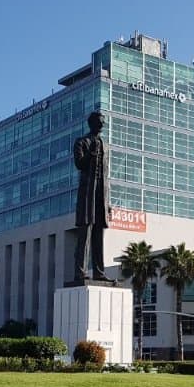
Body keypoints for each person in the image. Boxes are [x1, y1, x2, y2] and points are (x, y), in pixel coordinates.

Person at [72, 111, 112, 282]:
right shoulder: (81, 142)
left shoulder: (106, 145)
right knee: (85, 233)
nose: (102, 125)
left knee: (98, 234)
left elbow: (107, 174)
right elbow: (79, 164)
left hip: (101, 194)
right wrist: (91, 154)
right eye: (100, 122)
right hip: (87, 193)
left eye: (103, 122)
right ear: (92, 123)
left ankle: (99, 272)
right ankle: (80, 272)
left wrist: (108, 202)